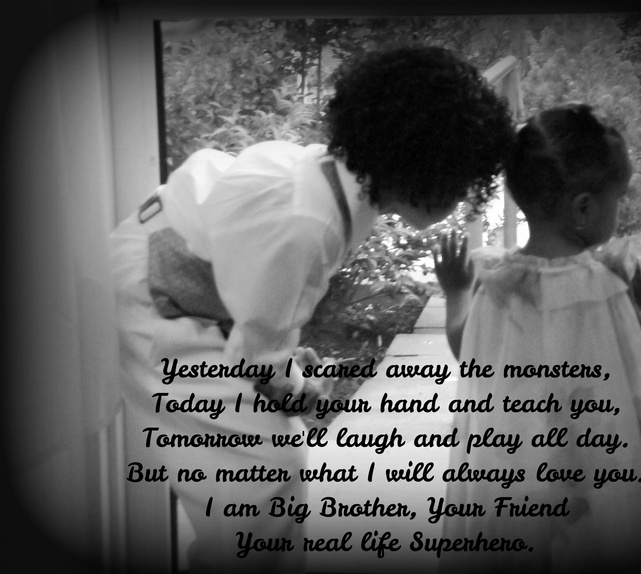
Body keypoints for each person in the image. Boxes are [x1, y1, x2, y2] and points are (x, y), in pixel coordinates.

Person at [111, 45, 515, 573]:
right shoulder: (311, 222)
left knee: (270, 467)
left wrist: (285, 364)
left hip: (180, 285)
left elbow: (258, 299)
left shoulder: (328, 182)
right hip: (154, 297)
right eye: (460, 181)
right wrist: (303, 392)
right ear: (422, 168)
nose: (462, 197)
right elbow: (257, 358)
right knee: (263, 477)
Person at [433, 104, 641, 573]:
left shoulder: (497, 288)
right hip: (596, 463)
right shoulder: (606, 285)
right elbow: (640, 352)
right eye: (617, 198)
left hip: (519, 466)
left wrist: (457, 293)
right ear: (584, 207)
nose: (619, 209)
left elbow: (468, 351)